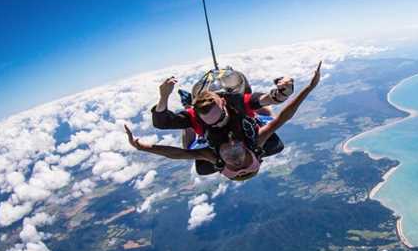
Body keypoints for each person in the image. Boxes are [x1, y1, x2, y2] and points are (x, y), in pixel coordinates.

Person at [125, 62, 321, 181]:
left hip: (204, 123)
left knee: (190, 137)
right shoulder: (255, 141)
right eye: (242, 160)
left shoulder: (211, 156)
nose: (236, 158)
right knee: (264, 111)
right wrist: (306, 88)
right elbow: (282, 118)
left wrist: (144, 146)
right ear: (252, 154)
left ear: (221, 163)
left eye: (233, 164)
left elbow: (177, 153)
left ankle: (189, 105)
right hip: (240, 114)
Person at [152, 69, 294, 175]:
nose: (237, 162)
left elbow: (162, 123)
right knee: (264, 114)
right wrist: (282, 93)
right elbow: (266, 101)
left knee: (190, 145)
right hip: (236, 107)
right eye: (243, 163)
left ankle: (188, 104)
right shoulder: (239, 106)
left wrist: (164, 96)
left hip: (203, 114)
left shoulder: (198, 119)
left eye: (234, 166)